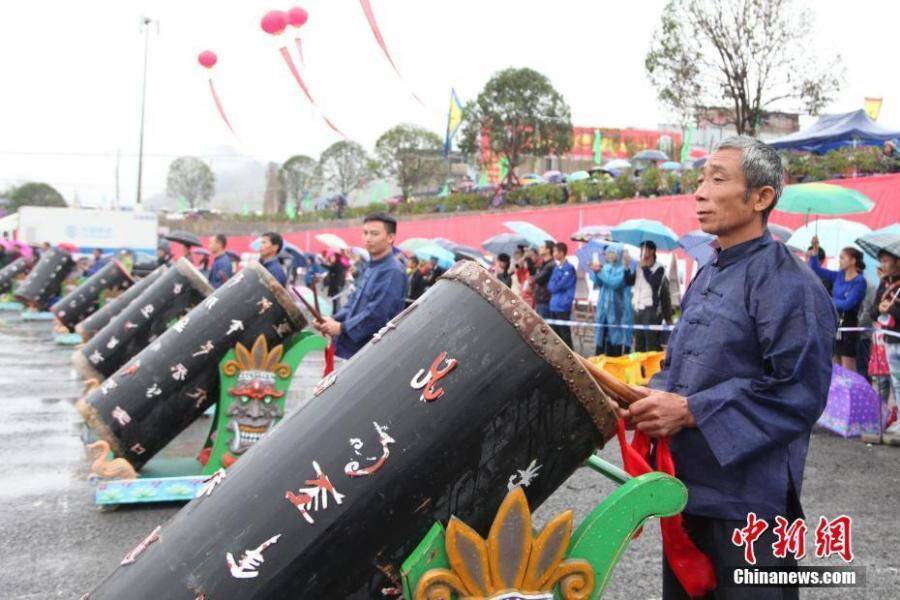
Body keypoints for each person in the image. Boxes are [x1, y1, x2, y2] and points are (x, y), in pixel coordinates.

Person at [625, 137, 836, 600]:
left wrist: (689, 411)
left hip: (748, 504)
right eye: (700, 179)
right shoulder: (709, 271)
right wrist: (638, 399)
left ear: (761, 198)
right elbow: (680, 368)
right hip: (687, 489)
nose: (700, 191)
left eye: (717, 179)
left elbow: (797, 392)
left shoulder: (791, 284)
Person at [313, 213, 407, 359]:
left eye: (374, 234)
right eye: (365, 233)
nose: (368, 238)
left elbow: (377, 314)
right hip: (355, 350)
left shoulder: (392, 271)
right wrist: (331, 320)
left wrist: (342, 328)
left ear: (390, 237)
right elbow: (353, 304)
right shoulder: (370, 266)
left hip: (374, 353)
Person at [807, 238, 868, 372]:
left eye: (842, 258)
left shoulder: (860, 281)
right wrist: (815, 253)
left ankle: (853, 393)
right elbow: (816, 270)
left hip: (848, 325)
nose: (839, 260)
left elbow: (848, 304)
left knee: (848, 366)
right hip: (834, 322)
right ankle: (837, 393)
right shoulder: (839, 275)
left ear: (853, 261)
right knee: (834, 365)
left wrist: (828, 300)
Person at [871, 248, 900, 432]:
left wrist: (891, 309)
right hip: (889, 338)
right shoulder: (884, 284)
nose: (883, 265)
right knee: (896, 381)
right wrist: (881, 308)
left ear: (897, 262)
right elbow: (872, 312)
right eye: (881, 261)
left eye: (886, 261)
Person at [590, 244, 634, 357]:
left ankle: (613, 365)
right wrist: (595, 272)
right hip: (603, 311)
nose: (610, 255)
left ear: (619, 254)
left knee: (615, 341)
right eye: (609, 252)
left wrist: (600, 272)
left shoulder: (622, 270)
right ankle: (597, 368)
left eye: (613, 252)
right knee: (601, 340)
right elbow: (599, 283)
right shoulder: (606, 268)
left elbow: (614, 283)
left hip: (617, 312)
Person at [630, 240, 672, 352]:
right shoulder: (637, 266)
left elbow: (654, 284)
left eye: (644, 250)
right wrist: (627, 268)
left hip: (651, 311)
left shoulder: (659, 268)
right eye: (641, 250)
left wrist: (645, 268)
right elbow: (629, 281)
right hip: (637, 308)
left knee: (651, 345)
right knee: (638, 345)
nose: (642, 252)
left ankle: (652, 369)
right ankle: (639, 368)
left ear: (652, 251)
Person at [546, 242, 576, 347]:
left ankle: (570, 359)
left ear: (562, 253)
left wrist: (555, 284)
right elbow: (550, 285)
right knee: (555, 335)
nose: (553, 254)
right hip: (554, 305)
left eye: (555, 251)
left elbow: (561, 285)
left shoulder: (569, 269)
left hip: (563, 306)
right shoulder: (556, 268)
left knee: (565, 335)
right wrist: (555, 284)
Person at [533, 241, 555, 317]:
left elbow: (538, 279)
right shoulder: (543, 264)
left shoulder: (551, 265)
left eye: (542, 247)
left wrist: (536, 276)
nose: (539, 249)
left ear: (548, 250)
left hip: (546, 300)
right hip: (540, 299)